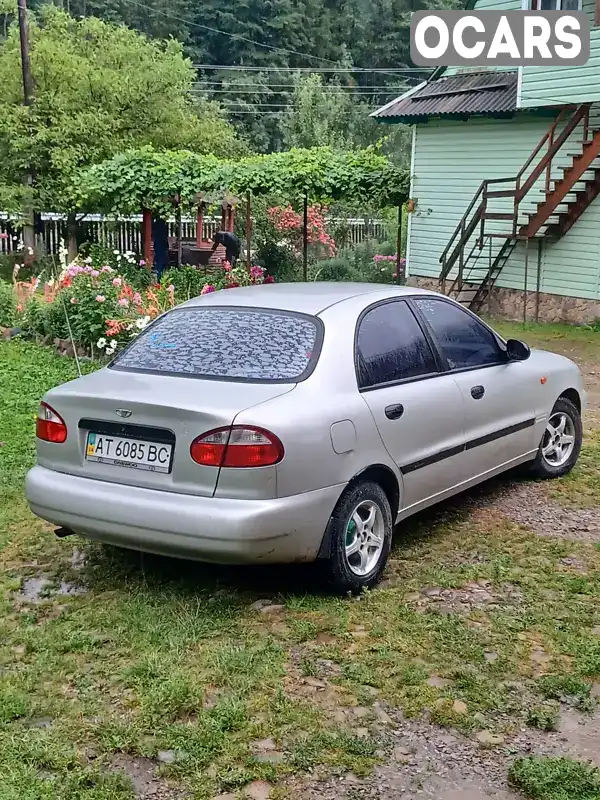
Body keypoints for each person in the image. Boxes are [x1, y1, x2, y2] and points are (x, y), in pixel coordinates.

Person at [152, 216, 169, 282]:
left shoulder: (156, 228)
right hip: (162, 249)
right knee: (161, 266)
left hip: (159, 249)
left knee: (159, 265)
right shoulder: (163, 228)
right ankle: (160, 280)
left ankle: (159, 280)